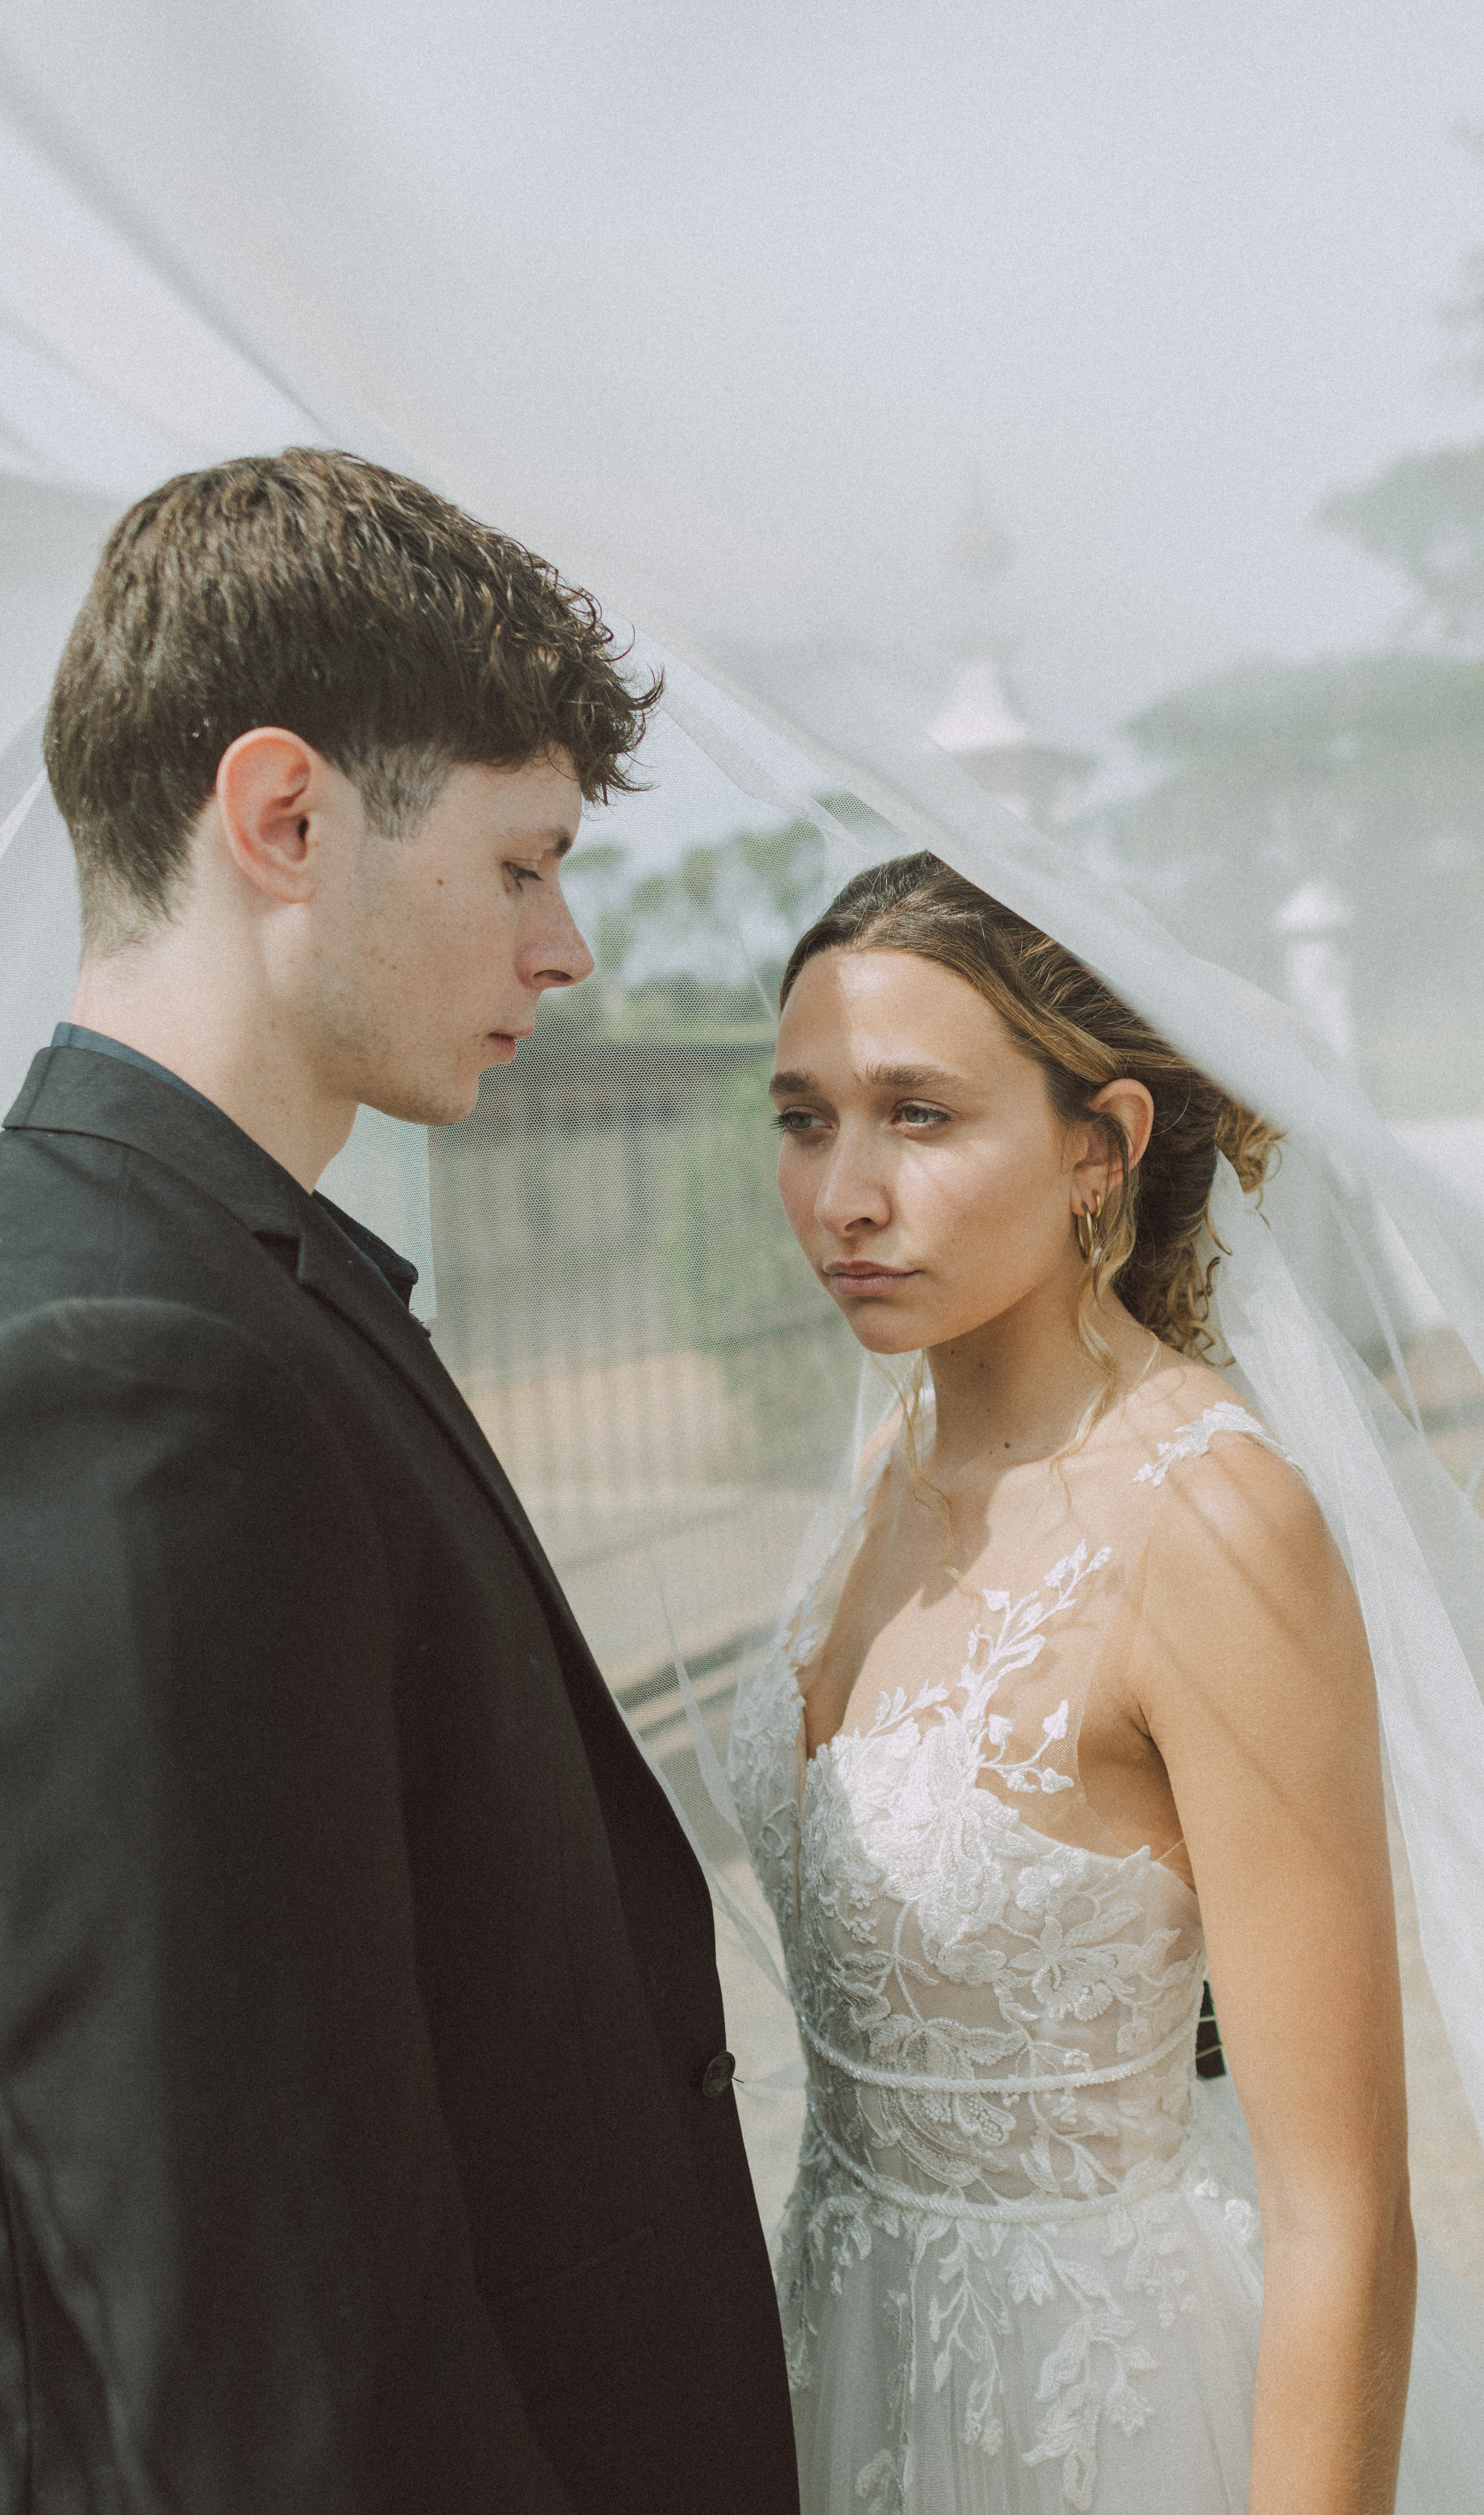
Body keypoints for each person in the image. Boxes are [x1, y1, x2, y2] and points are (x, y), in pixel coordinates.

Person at [0, 448, 799, 2514]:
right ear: (285, 820)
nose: (571, 950)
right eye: (524, 864)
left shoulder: (211, 1269)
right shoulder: (133, 1369)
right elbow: (251, 2337)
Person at [723, 851, 1484, 2515]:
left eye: (917, 1114)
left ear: (1095, 1151)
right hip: (842, 2367)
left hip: (1103, 2420)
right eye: (801, 1117)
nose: (841, 1193)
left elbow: (1342, 2209)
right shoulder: (888, 1467)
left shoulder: (1207, 1523)